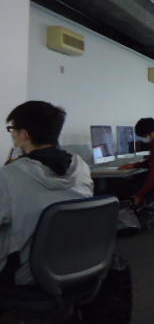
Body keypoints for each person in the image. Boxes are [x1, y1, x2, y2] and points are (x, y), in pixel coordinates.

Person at [0, 101, 93, 286]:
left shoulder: (9, 176)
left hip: (28, 274)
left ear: (24, 134)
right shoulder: (81, 167)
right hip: (79, 261)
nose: (12, 135)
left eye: (13, 130)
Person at [119, 118, 154, 205]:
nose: (142, 139)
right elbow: (152, 162)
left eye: (142, 136)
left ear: (150, 133)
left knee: (124, 187)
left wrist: (139, 195)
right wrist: (134, 165)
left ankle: (129, 208)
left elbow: (153, 175)